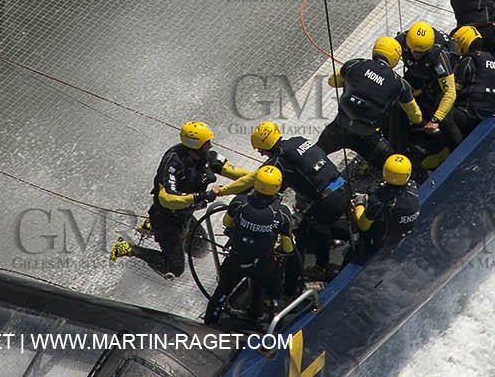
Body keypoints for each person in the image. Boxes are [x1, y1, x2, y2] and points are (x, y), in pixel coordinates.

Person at [109, 121, 251, 279]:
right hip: (166, 219)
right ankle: (129, 248)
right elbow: (166, 199)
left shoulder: (209, 157)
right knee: (174, 268)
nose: (210, 146)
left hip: (186, 215)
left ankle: (150, 226)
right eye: (207, 143)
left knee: (201, 250)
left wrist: (265, 178)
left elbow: (240, 174)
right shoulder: (174, 162)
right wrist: (199, 197)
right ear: (195, 146)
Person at [227, 120, 353, 279]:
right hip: (344, 189)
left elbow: (250, 180)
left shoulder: (277, 161)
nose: (261, 154)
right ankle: (349, 239)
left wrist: (221, 191)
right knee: (317, 222)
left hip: (328, 203)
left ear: (266, 147)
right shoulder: (299, 140)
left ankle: (293, 285)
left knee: (299, 241)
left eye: (260, 150)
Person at [202, 165, 296, 326]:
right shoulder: (282, 213)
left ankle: (208, 326)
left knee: (220, 294)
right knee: (276, 295)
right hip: (263, 265)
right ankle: (276, 332)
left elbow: (226, 222)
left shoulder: (239, 202)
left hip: (235, 262)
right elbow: (288, 248)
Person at [317, 36, 423, 169]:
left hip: (339, 127)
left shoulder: (355, 64)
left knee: (314, 155)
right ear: (395, 58)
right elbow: (416, 116)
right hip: (367, 137)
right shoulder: (400, 84)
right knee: (393, 166)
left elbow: (332, 81)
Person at [394, 21, 461, 163]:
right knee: (397, 105)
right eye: (412, 50)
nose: (415, 54)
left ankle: (458, 152)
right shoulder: (402, 41)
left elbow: (450, 93)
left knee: (447, 120)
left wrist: (436, 120)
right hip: (417, 73)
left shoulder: (439, 58)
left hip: (437, 78)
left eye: (420, 52)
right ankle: (399, 152)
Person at [347, 153, 420, 263]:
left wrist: (359, 204)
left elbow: (363, 225)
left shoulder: (378, 200)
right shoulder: (412, 187)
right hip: (400, 235)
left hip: (380, 243)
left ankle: (353, 255)